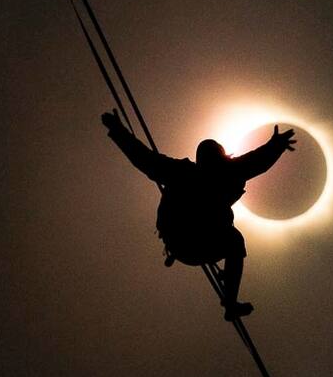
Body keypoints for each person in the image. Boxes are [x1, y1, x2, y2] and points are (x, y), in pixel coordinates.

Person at [101, 109, 296, 321]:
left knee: (233, 241)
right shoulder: (192, 172)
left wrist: (275, 146)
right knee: (234, 241)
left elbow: (145, 159)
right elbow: (145, 159)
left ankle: (230, 297)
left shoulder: (197, 171)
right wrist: (118, 131)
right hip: (184, 239)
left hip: (189, 244)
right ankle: (230, 302)